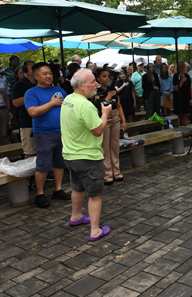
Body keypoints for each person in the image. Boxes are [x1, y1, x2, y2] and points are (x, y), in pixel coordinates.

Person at [61, 69, 112, 241]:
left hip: (70, 154)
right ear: (82, 86)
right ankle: (95, 230)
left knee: (78, 187)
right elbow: (98, 130)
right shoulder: (86, 105)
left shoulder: (68, 99)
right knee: (94, 194)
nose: (97, 84)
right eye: (93, 82)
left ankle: (76, 216)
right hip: (88, 156)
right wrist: (105, 114)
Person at [25, 62, 71, 208]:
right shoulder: (31, 93)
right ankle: (40, 194)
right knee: (43, 164)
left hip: (61, 132)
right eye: (44, 74)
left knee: (59, 162)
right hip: (43, 134)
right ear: (36, 76)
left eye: (50, 73)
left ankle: (58, 189)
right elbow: (32, 112)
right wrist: (52, 103)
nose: (49, 76)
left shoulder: (59, 90)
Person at [94, 68, 127, 185]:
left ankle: (117, 173)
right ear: (98, 78)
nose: (107, 78)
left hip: (115, 118)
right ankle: (107, 175)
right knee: (105, 147)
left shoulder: (113, 89)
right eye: (104, 76)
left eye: (108, 76)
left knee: (114, 146)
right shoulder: (97, 91)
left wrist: (123, 120)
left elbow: (119, 106)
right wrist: (108, 96)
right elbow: (98, 106)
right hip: (104, 119)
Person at [11, 61, 36, 156]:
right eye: (33, 67)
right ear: (25, 70)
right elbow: (16, 103)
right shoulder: (18, 85)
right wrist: (32, 94)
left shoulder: (41, 83)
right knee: (30, 152)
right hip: (27, 122)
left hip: (42, 121)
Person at [173, 61, 192, 126]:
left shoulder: (187, 76)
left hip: (186, 97)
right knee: (180, 115)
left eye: (184, 65)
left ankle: (185, 131)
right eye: (181, 65)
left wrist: (191, 98)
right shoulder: (176, 76)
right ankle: (181, 130)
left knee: (186, 115)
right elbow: (176, 88)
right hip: (179, 98)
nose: (183, 67)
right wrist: (181, 81)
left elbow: (190, 87)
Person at [0, 71, 13, 146]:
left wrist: (9, 110)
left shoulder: (2, 81)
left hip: (3, 108)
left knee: (3, 133)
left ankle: (4, 155)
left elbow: (6, 96)